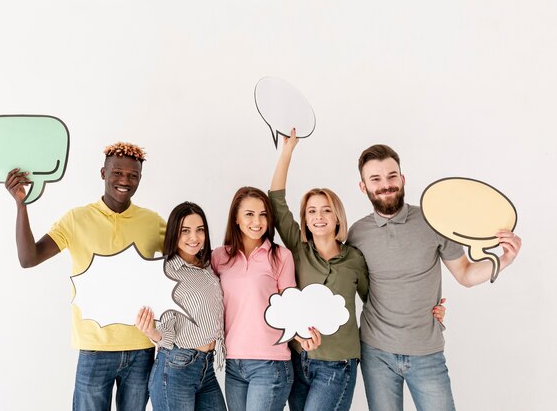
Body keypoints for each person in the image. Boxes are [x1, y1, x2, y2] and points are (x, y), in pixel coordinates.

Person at [348, 143, 522, 411]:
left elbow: (464, 273)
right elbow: (355, 288)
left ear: (402, 179)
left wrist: (504, 259)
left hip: (426, 351)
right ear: (364, 187)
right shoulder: (357, 234)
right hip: (376, 352)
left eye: (392, 176)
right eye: (376, 179)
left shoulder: (434, 222)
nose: (386, 184)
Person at [5, 141, 166, 411]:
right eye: (117, 173)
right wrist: (22, 206)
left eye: (132, 175)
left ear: (140, 178)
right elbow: (28, 258)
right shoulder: (76, 219)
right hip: (94, 347)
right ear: (103, 173)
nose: (124, 180)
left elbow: (186, 261)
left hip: (141, 346)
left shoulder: (153, 222)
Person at [269, 132, 369, 411]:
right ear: (305, 219)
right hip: (298, 361)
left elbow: (376, 301)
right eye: (311, 211)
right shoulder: (298, 248)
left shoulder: (355, 259)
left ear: (337, 216)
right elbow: (276, 202)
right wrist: (287, 151)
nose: (319, 216)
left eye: (326, 210)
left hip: (338, 364)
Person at [211, 186, 321, 411]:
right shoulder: (219, 257)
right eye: (249, 214)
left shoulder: (281, 256)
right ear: (236, 219)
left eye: (263, 215)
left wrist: (303, 335)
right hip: (233, 363)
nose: (257, 221)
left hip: (271, 364)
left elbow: (291, 306)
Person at [135, 202, 226, 411]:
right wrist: (152, 332)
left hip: (207, 367)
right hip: (176, 367)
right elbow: (165, 332)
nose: (194, 237)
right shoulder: (167, 272)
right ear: (174, 233)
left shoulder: (206, 266)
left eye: (199, 230)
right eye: (185, 231)